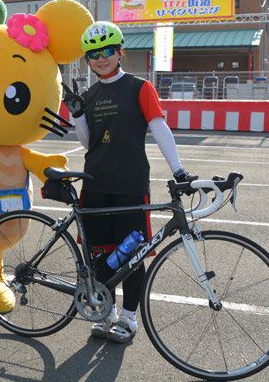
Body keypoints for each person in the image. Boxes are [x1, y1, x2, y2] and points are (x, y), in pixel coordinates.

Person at [63, 21, 195, 343]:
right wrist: (78, 115)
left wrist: (178, 169)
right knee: (98, 255)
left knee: (132, 256)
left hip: (130, 186)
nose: (101, 58)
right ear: (87, 60)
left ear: (120, 52)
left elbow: (159, 128)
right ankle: (106, 312)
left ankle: (128, 318)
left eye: (108, 50)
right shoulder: (91, 93)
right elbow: (88, 143)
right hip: (94, 186)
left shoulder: (140, 87)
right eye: (93, 54)